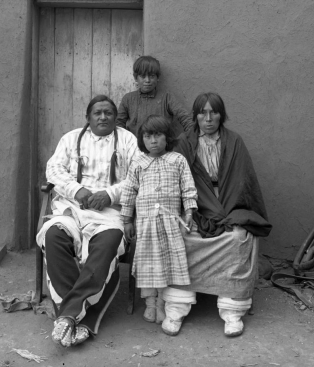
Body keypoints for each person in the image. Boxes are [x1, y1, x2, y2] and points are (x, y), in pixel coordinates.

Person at [161, 92, 272, 337]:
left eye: (214, 112)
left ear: (222, 115)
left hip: (231, 205)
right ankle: (177, 306)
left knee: (237, 238)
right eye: (203, 112)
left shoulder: (234, 142)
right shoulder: (184, 142)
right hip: (195, 206)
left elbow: (244, 182)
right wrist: (189, 209)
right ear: (196, 116)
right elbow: (174, 182)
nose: (208, 118)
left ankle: (231, 310)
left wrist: (226, 210)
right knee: (182, 235)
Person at [36, 95, 138, 347]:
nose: (103, 117)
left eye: (108, 113)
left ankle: (69, 314)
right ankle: (82, 318)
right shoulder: (71, 138)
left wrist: (110, 194)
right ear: (88, 117)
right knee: (53, 236)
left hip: (109, 211)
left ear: (116, 117)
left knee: (109, 243)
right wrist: (76, 190)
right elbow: (54, 169)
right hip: (72, 207)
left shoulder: (128, 140)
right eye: (97, 113)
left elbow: (138, 174)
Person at [120, 115, 198, 335]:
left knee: (166, 263)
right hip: (145, 224)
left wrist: (189, 210)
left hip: (170, 223)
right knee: (148, 264)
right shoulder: (138, 162)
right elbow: (128, 191)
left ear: (168, 137)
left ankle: (164, 302)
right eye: (147, 136)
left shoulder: (177, 160)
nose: (152, 141)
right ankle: (150, 302)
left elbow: (188, 188)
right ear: (141, 139)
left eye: (157, 135)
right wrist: (127, 219)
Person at [116, 56, 194, 136]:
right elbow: (119, 124)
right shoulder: (128, 99)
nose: (147, 80)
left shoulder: (167, 97)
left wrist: (191, 137)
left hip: (163, 146)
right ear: (136, 78)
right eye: (143, 76)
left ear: (158, 78)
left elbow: (184, 117)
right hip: (135, 146)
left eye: (152, 76)